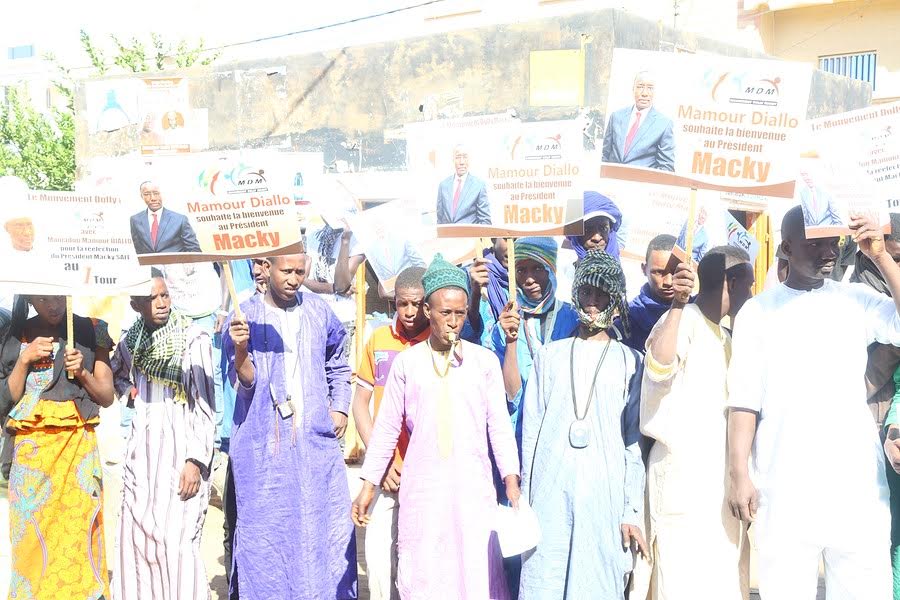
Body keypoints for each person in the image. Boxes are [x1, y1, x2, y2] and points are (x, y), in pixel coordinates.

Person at [727, 206, 900, 599]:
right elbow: (744, 401)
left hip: (856, 488)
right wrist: (739, 474)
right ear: (786, 248)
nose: (829, 252)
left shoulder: (855, 300)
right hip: (785, 488)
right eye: (816, 244)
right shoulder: (758, 312)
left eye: (833, 243)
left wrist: (880, 255)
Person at [352, 254, 521, 600]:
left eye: (460, 313)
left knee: (475, 573)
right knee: (426, 574)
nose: (454, 322)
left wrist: (511, 482)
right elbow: (386, 429)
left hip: (473, 490)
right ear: (429, 311)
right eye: (446, 313)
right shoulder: (407, 364)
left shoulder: (484, 362)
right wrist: (369, 485)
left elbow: (500, 429)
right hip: (424, 492)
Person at [224, 253, 357, 600]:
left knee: (321, 528)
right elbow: (246, 383)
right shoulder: (244, 316)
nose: (294, 279)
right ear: (266, 268)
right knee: (268, 536)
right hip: (264, 450)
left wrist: (339, 407)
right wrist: (241, 349)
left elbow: (338, 361)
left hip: (316, 445)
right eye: (287, 271)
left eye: (300, 271)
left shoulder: (318, 310)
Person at [519, 249, 646, 599]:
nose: (592, 301)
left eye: (601, 293)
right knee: (545, 578)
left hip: (604, 497)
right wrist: (526, 501)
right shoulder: (549, 356)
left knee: (597, 582)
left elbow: (633, 444)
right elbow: (531, 434)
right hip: (549, 495)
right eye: (586, 291)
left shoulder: (632, 362)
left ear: (616, 299)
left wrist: (630, 510)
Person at [641, 247, 755, 600]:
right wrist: (676, 305)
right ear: (731, 282)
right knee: (681, 582)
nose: (751, 295)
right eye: (748, 285)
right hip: (682, 483)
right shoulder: (682, 320)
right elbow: (658, 369)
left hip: (719, 487)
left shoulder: (727, 337)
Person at [0, 295, 115, 599]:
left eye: (57, 297)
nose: (52, 305)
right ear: (30, 297)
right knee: (30, 546)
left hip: (77, 458)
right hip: (31, 465)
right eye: (43, 299)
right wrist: (24, 360)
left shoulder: (92, 331)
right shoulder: (14, 336)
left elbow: (106, 396)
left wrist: (83, 373)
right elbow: (4, 401)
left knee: (77, 540)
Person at [110, 272, 216, 599]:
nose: (161, 304)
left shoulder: (193, 338)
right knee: (137, 543)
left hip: (180, 456)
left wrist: (195, 461)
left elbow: (205, 405)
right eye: (152, 298)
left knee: (178, 545)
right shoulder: (132, 341)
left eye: (165, 296)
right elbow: (115, 374)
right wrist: (128, 391)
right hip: (141, 457)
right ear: (136, 305)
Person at [351, 266, 429, 600]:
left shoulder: (439, 342)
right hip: (386, 473)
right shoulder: (378, 339)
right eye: (402, 304)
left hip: (425, 471)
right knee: (379, 562)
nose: (409, 312)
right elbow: (360, 403)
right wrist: (379, 461)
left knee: (419, 564)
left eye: (417, 304)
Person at [303, 220, 365, 359]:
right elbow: (301, 278)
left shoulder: (358, 237)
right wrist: (332, 288)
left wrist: (345, 240)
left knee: (337, 369)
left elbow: (341, 284)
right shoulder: (313, 227)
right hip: (310, 314)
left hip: (340, 318)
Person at [602, 70, 675, 172]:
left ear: (655, 92)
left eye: (650, 88)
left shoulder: (664, 124)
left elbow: (666, 168)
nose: (644, 93)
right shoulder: (616, 117)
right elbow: (604, 155)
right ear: (633, 89)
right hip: (611, 179)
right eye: (640, 87)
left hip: (641, 181)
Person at [558, 192, 624, 303]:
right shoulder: (560, 278)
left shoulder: (627, 280)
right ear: (575, 235)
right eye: (587, 230)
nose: (597, 238)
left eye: (603, 228)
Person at [620, 234, 677, 351]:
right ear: (644, 269)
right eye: (659, 272)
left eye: (675, 272)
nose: (668, 282)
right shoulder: (628, 319)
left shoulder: (695, 311)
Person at [130, 181, 202, 255]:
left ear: (162, 194)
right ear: (142, 196)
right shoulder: (135, 220)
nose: (153, 198)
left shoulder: (180, 220)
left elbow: (194, 251)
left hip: (176, 262)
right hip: (149, 263)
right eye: (147, 194)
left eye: (156, 193)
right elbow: (139, 251)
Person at [436, 144, 491, 225]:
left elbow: (485, 221)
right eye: (458, 157)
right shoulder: (443, 186)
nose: (461, 162)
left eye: (465, 157)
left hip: (469, 233)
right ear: (453, 160)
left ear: (469, 160)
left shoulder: (479, 185)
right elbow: (440, 219)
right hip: (448, 233)